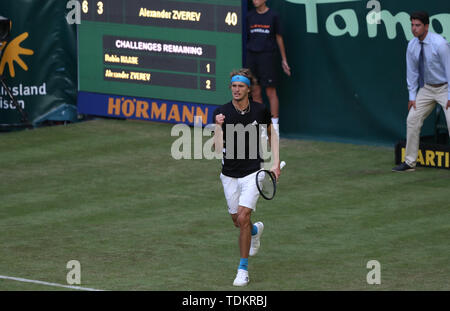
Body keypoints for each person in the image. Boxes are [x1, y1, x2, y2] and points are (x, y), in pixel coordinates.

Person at [213, 68, 280, 286]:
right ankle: (254, 230)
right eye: (233, 86)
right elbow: (216, 149)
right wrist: (218, 127)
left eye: (240, 86)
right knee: (237, 220)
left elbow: (271, 134)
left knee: (242, 217)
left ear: (248, 89)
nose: (236, 89)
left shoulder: (260, 110)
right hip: (229, 174)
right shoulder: (221, 112)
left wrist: (275, 163)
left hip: (253, 171)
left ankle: (242, 269)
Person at [392, 11, 450, 172]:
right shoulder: (412, 46)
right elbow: (412, 74)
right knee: (412, 119)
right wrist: (412, 96)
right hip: (427, 89)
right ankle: (410, 163)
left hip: (445, 88)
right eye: (412, 25)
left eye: (417, 25)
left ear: (426, 26)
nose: (414, 29)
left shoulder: (440, 44)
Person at [246, 0, 291, 132]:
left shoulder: (273, 16)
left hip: (267, 57)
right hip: (252, 57)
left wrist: (284, 60)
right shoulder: (249, 16)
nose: (255, 1)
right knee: (255, 91)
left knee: (270, 91)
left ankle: (274, 126)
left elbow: (279, 38)